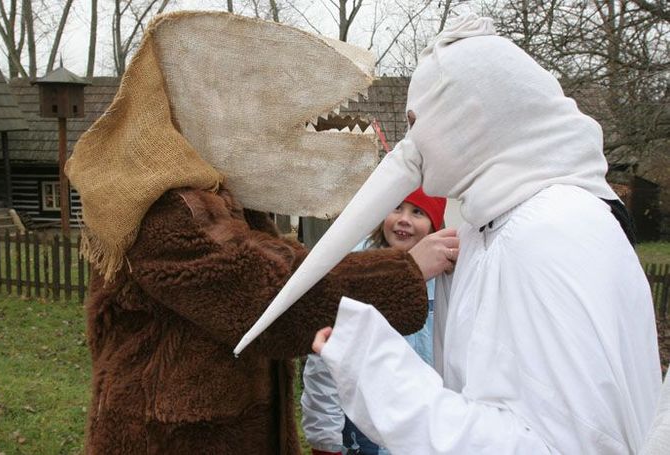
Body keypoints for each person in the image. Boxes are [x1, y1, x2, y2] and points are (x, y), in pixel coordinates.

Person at [240, 13, 663, 455]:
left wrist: (379, 371)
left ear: (469, 118)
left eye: (417, 120)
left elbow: (560, 445)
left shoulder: (552, 231)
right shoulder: (497, 228)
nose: (411, 142)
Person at [64, 11, 459, 455]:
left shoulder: (219, 195)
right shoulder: (167, 209)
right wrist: (405, 270)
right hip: (173, 439)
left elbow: (276, 261)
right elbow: (270, 298)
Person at [301, 188, 449, 455]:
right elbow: (326, 359)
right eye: (397, 208)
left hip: (422, 424)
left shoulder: (446, 280)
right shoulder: (357, 270)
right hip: (363, 426)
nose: (404, 219)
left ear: (434, 225)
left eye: (417, 211)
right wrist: (324, 437)